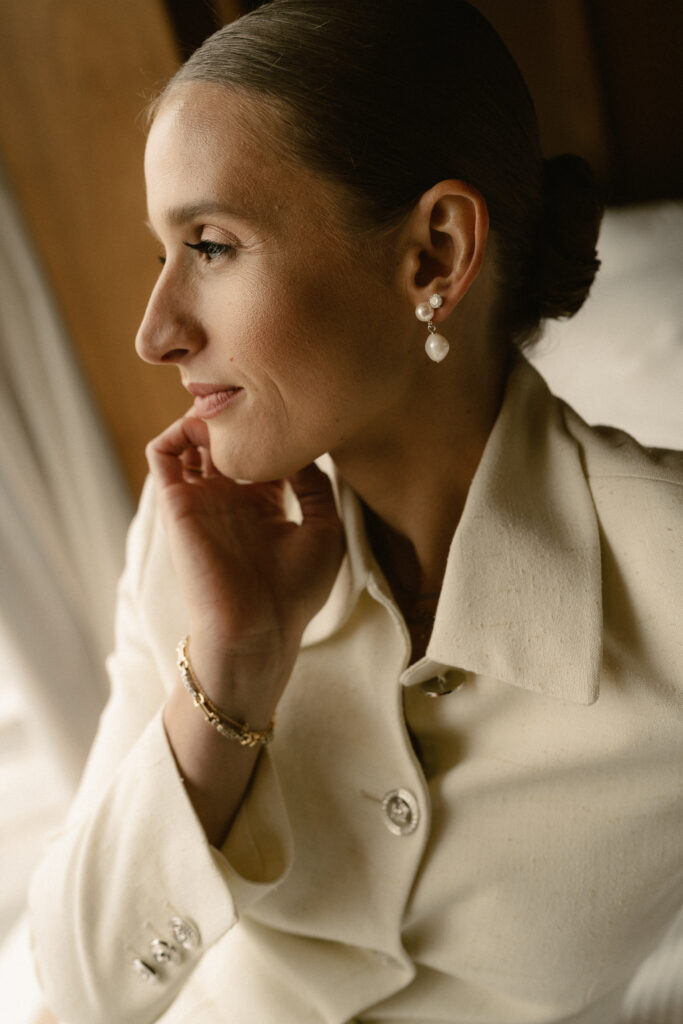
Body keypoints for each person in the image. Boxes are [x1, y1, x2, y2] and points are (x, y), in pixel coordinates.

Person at [28, 2, 683, 1022]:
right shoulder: (190, 536)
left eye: (207, 245)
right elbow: (77, 988)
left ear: (432, 253)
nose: (154, 331)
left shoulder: (666, 575)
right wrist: (228, 680)